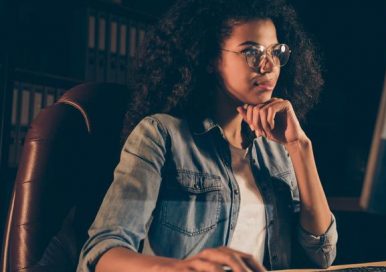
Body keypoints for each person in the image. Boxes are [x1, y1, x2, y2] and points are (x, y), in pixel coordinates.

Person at [77, 0, 337, 271]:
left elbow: (322, 254)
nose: (268, 65)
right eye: (251, 51)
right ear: (211, 59)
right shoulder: (161, 135)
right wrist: (181, 269)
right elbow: (101, 252)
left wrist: (299, 146)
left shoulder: (276, 149)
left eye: (275, 51)